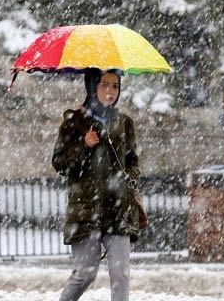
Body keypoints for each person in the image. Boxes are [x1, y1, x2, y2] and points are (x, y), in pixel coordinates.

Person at [53, 68, 147, 301]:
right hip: (86, 211)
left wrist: (128, 181)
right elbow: (60, 164)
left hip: (118, 209)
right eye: (104, 84)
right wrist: (84, 145)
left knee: (121, 275)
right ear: (92, 86)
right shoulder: (74, 122)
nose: (110, 91)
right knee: (85, 274)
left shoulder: (124, 122)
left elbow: (133, 162)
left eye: (115, 86)